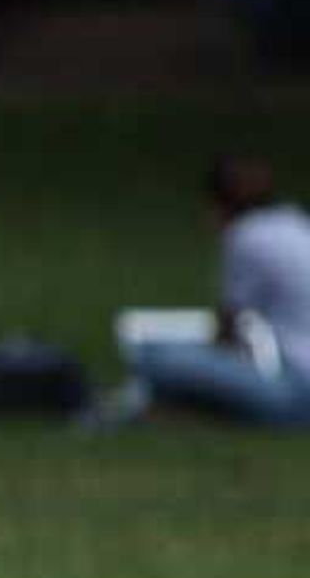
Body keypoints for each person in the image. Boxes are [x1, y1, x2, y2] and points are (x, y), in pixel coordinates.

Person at [85, 155, 310, 431]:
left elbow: (226, 329)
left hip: (297, 391)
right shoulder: (294, 222)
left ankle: (149, 407)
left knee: (156, 357)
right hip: (292, 377)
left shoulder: (245, 236)